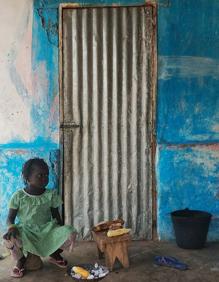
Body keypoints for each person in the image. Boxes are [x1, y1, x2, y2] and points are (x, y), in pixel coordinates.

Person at [3, 158, 77, 278]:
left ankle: (54, 254)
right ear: (27, 177)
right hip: (26, 232)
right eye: (40, 175)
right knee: (8, 238)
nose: (44, 178)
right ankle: (21, 260)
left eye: (46, 175)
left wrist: (61, 233)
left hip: (47, 230)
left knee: (70, 232)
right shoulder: (18, 196)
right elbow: (10, 219)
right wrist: (11, 228)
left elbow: (56, 216)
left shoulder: (51, 194)